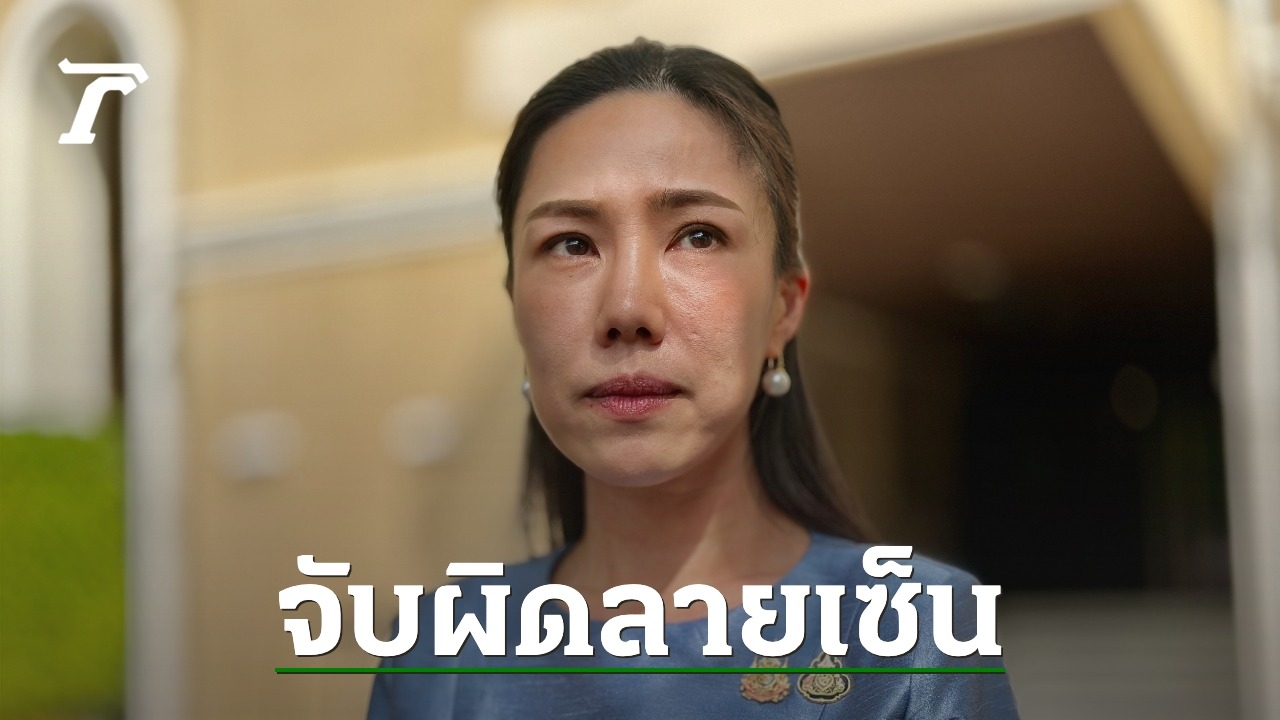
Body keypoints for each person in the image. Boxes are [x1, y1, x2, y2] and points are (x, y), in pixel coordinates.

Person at [368, 38, 1019, 719]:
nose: (627, 309)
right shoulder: (439, 659)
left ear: (783, 308)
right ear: (517, 312)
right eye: (571, 244)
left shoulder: (912, 640)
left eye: (698, 236)